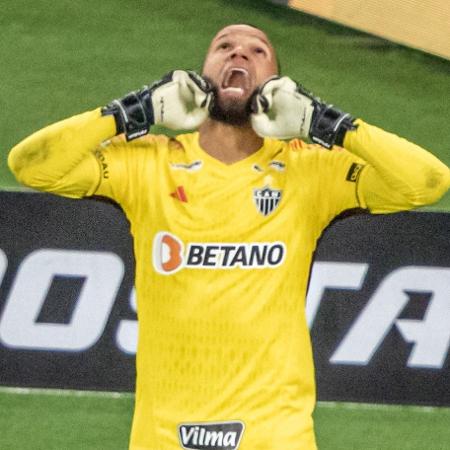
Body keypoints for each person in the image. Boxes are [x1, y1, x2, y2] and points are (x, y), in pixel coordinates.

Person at [8, 23, 449, 450]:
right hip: (163, 437)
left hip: (275, 437)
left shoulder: (311, 169)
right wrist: (135, 111)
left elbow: (426, 182)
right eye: (224, 46)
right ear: (200, 77)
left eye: (258, 51)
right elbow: (33, 165)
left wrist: (326, 123)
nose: (239, 54)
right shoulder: (150, 164)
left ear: (277, 86)